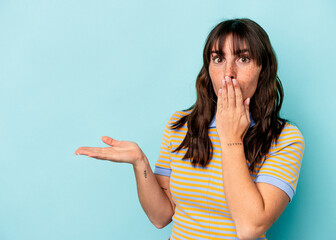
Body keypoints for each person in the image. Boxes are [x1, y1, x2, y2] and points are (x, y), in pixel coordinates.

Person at [75, 18, 304, 240]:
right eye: (218, 59)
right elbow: (161, 217)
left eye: (243, 59)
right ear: (208, 68)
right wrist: (140, 163)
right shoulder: (180, 125)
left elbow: (249, 228)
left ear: (262, 70)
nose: (228, 73)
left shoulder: (286, 139)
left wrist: (231, 136)